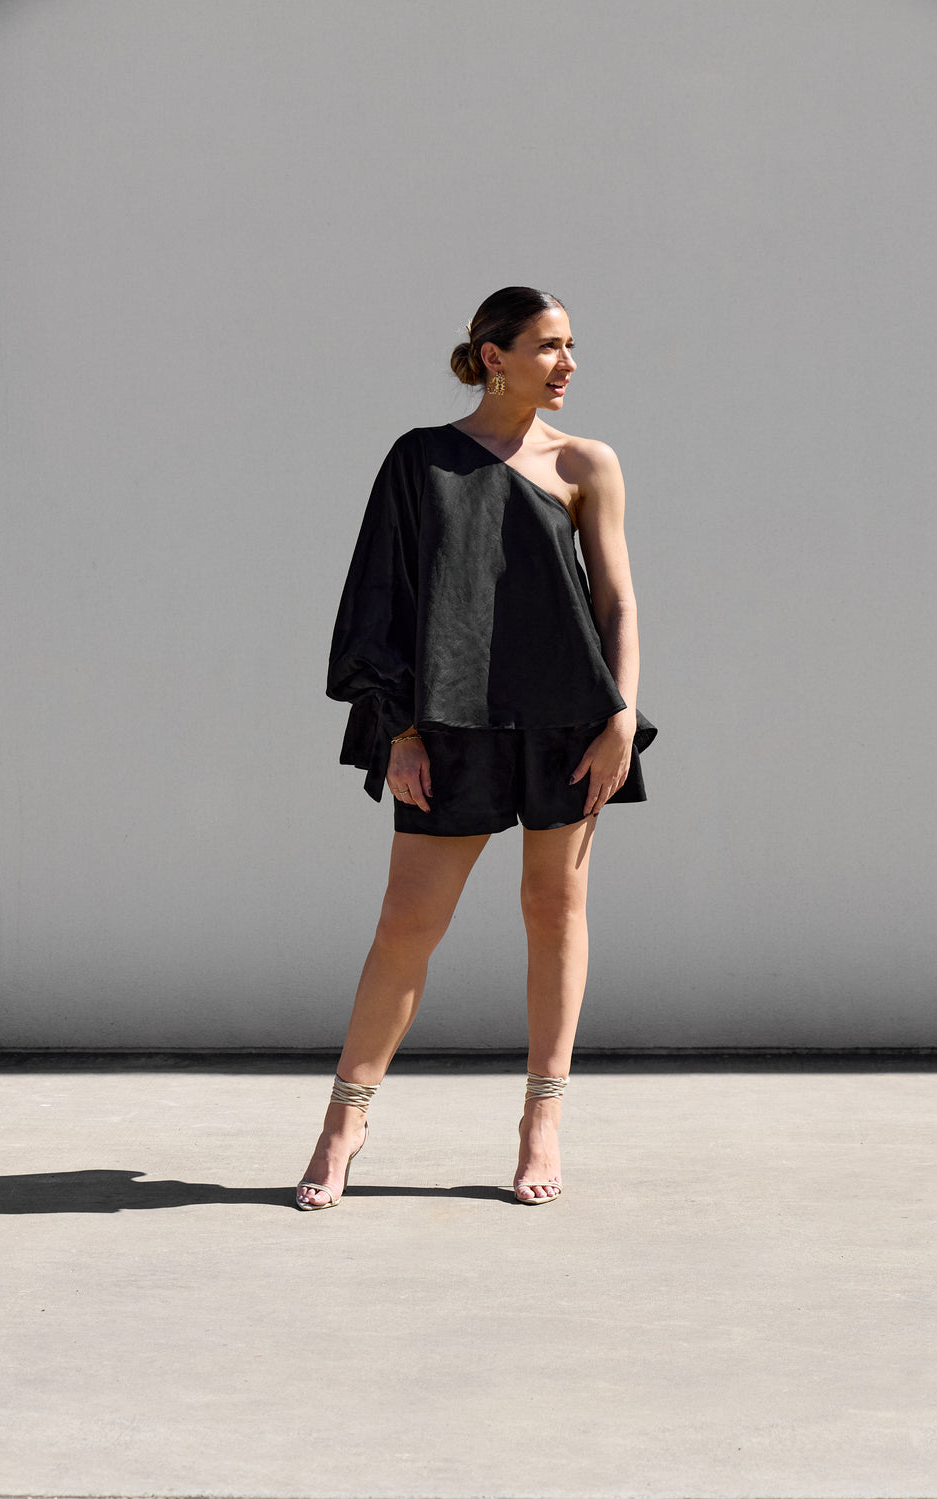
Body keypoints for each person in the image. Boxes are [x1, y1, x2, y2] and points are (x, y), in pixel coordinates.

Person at [296, 286, 655, 1210]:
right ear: (494, 355)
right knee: (405, 925)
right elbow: (379, 600)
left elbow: (615, 601)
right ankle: (345, 1119)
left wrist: (622, 715)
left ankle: (543, 1118)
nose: (568, 363)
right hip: (446, 723)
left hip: (570, 721)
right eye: (549, 346)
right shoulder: (422, 460)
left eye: (573, 346)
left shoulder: (587, 462)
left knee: (555, 910)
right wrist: (398, 731)